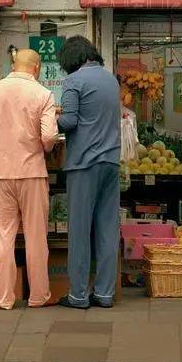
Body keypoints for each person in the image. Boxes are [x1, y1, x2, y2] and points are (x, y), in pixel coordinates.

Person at [0, 49, 59, 310]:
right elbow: (50, 137)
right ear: (37, 67)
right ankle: (38, 296)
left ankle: (4, 297)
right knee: (36, 237)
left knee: (4, 237)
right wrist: (44, 148)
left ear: (13, 64)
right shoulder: (43, 94)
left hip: (0, 173)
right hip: (32, 172)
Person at [54, 36, 121, 309]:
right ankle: (104, 293)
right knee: (107, 229)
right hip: (111, 161)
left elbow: (69, 121)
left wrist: (46, 116)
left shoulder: (74, 81)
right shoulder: (111, 80)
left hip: (84, 163)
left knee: (80, 231)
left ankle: (78, 295)